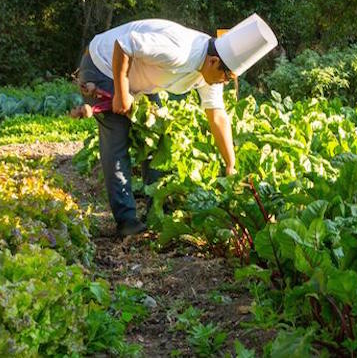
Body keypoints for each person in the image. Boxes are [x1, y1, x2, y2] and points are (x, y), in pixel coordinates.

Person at [74, 15, 277, 236]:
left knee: (157, 138)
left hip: (142, 81)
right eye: (226, 77)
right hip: (103, 65)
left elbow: (217, 115)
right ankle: (126, 222)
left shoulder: (211, 69)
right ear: (213, 62)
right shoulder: (181, 51)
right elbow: (124, 45)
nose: (225, 82)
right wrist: (122, 92)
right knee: (117, 138)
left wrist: (231, 164)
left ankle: (157, 210)